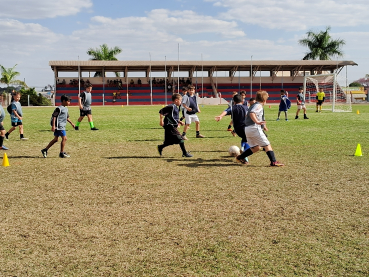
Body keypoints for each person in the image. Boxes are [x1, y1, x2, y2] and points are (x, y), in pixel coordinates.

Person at [235, 90, 284, 167]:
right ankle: (273, 162)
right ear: (264, 100)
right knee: (267, 144)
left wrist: (262, 125)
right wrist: (257, 122)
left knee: (256, 147)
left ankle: (240, 157)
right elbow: (252, 113)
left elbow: (249, 114)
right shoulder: (258, 106)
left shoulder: (253, 105)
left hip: (248, 129)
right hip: (254, 127)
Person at [215, 94, 251, 160]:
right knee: (250, 141)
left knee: (245, 138)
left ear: (234, 101)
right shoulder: (246, 107)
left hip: (237, 129)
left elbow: (226, 111)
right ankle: (244, 153)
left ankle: (243, 149)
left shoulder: (233, 107)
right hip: (246, 128)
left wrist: (221, 116)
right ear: (242, 101)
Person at [158, 93, 192, 157]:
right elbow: (161, 112)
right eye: (180, 100)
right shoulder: (171, 106)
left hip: (172, 126)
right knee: (180, 139)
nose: (181, 102)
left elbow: (172, 117)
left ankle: (160, 147)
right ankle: (184, 153)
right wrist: (161, 121)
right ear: (176, 100)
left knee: (170, 142)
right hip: (170, 126)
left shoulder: (175, 107)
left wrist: (179, 121)